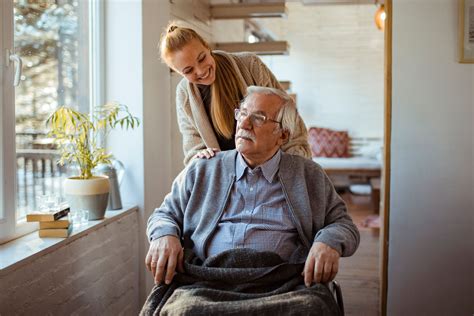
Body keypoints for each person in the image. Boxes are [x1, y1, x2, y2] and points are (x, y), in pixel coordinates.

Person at [143, 86, 359, 314]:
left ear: (283, 134)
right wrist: (164, 234)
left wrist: (328, 241)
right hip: (207, 280)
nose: (244, 124)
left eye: (258, 118)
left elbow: (343, 224)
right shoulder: (203, 168)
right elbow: (164, 214)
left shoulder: (308, 175)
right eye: (242, 113)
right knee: (185, 311)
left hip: (282, 284)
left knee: (310, 309)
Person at [159, 23, 312, 165]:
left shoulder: (250, 65)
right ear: (179, 73)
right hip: (229, 180)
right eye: (188, 70)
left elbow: (290, 120)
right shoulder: (184, 93)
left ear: (207, 46)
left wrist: (294, 167)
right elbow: (193, 148)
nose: (200, 71)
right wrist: (200, 156)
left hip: (274, 170)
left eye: (202, 58)